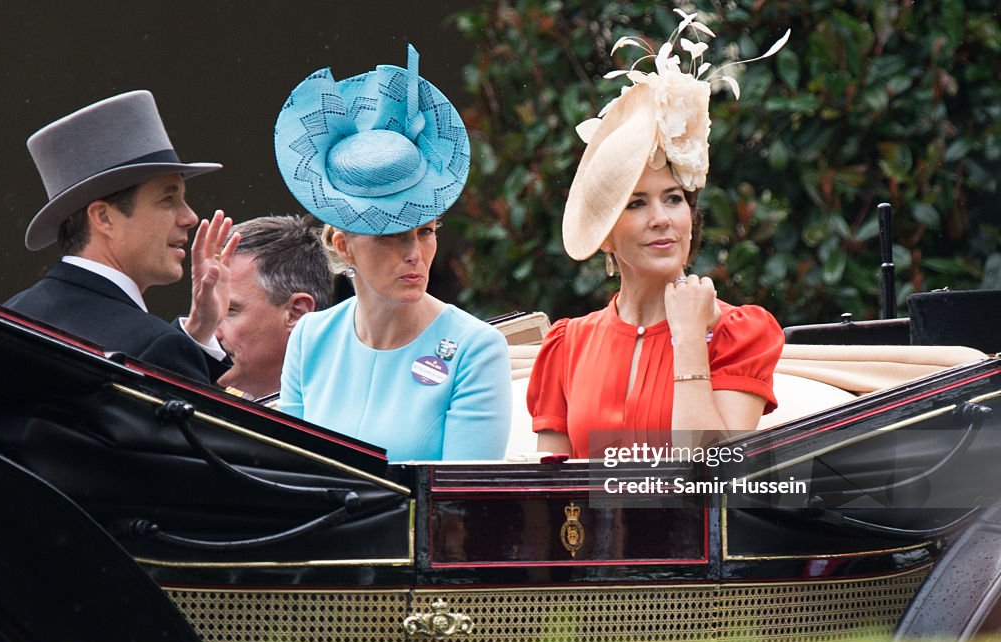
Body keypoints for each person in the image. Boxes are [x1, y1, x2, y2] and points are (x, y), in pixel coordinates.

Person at [527, 18, 789, 458]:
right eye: (635, 204)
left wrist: (689, 340)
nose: (661, 219)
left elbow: (712, 477)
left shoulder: (737, 334)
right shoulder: (566, 346)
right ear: (605, 236)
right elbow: (552, 501)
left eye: (672, 199)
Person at [275, 45, 512, 462]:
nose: (414, 253)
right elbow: (292, 477)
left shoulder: (475, 349)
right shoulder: (310, 339)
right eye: (389, 235)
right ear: (343, 246)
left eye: (425, 231)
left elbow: (458, 511)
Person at [5, 90, 238, 385]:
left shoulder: (9, 315)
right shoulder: (155, 347)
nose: (189, 217)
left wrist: (199, 332)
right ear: (103, 217)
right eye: (168, 199)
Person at [216, 214, 333, 400]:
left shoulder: (344, 412)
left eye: (229, 310)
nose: (212, 333)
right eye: (206, 309)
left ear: (296, 313)